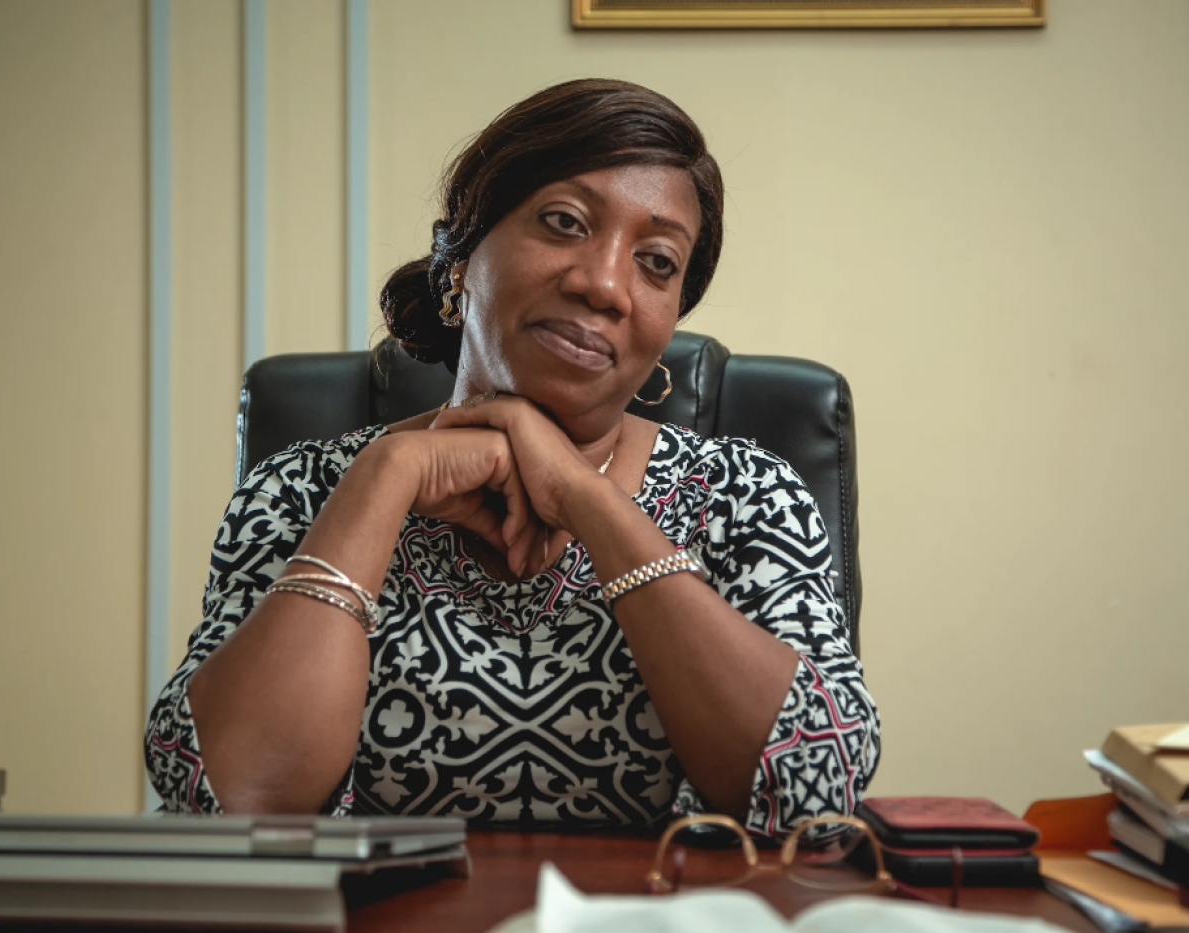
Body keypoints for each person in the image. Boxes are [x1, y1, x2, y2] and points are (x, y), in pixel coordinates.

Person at [146, 78, 879, 835]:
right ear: (463, 259)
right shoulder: (300, 492)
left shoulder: (746, 494)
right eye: (564, 222)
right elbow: (220, 797)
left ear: (668, 325)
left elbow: (811, 791)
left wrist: (589, 502)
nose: (604, 284)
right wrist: (385, 477)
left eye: (657, 262)